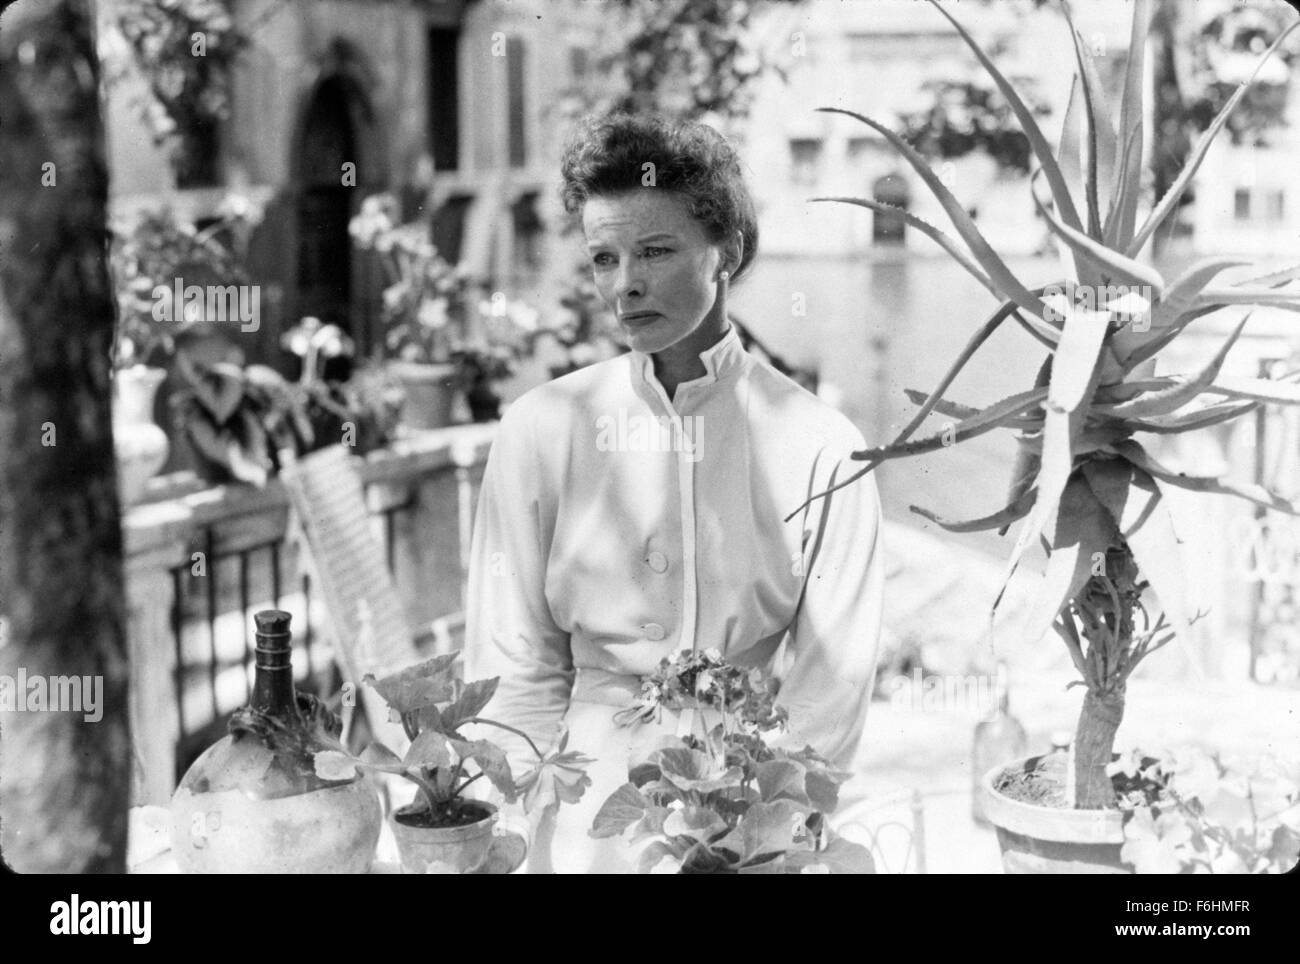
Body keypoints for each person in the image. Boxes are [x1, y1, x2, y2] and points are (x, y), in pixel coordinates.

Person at [464, 112, 885, 873]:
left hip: (755, 809)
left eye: (655, 251)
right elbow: (515, 671)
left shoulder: (822, 445)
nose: (625, 282)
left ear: (726, 253)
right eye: (603, 257)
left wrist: (751, 833)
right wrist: (507, 831)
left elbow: (833, 687)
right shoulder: (540, 430)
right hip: (583, 819)